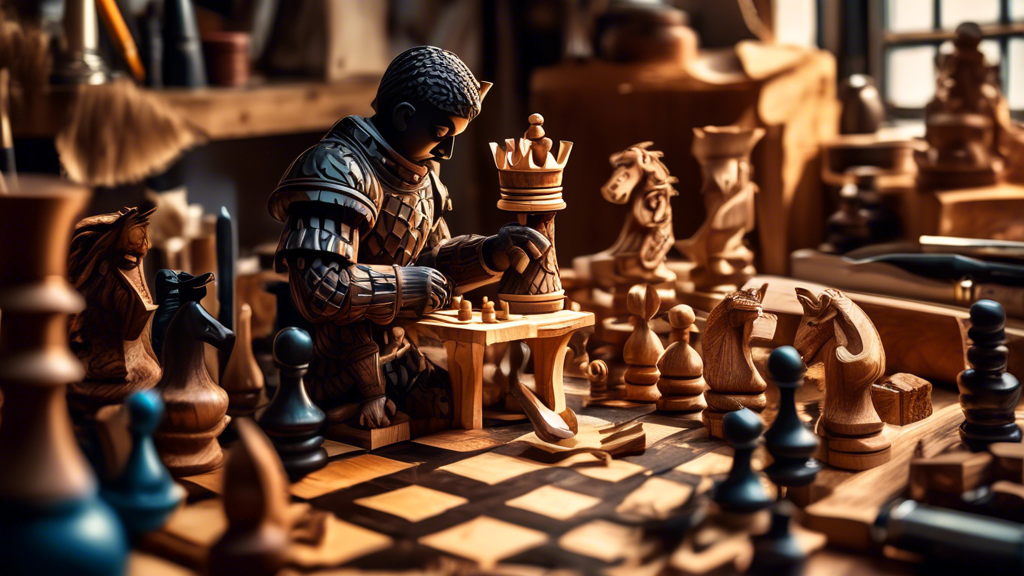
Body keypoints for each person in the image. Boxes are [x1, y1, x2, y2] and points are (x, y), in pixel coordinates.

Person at [268, 46, 547, 429]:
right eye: (442, 133)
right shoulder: (337, 168)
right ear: (403, 116)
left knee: (456, 406)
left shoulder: (425, 178)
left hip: (397, 354)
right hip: (330, 366)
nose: (446, 152)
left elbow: (432, 261)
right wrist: (410, 284)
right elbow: (321, 290)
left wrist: (490, 254)